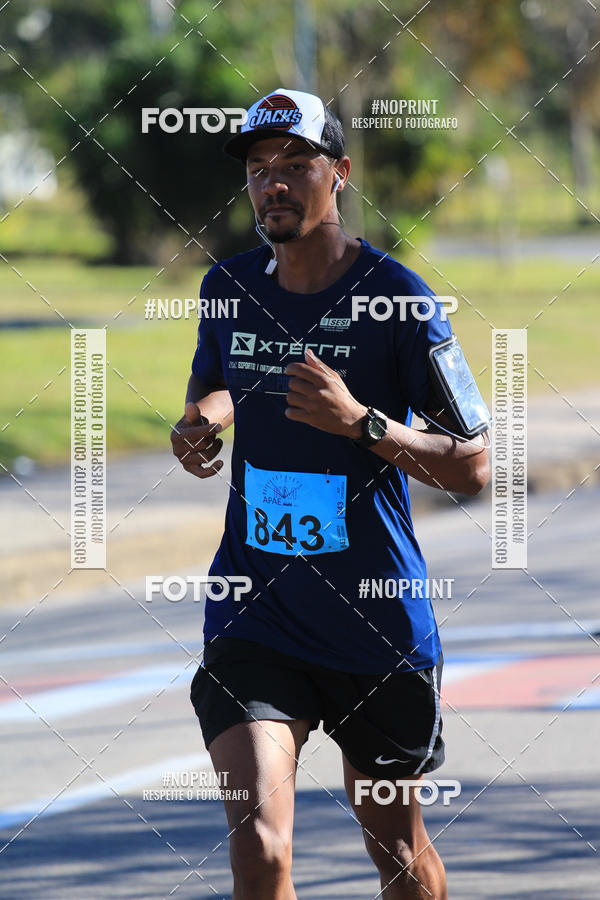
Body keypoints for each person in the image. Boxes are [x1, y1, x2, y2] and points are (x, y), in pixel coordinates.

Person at [171, 87, 489, 900]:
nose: (273, 182)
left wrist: (363, 422)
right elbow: (222, 386)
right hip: (257, 610)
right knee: (262, 845)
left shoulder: (400, 300)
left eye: (296, 164)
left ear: (339, 174)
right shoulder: (228, 287)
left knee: (400, 859)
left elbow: (475, 467)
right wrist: (199, 423)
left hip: (373, 627)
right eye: (257, 168)